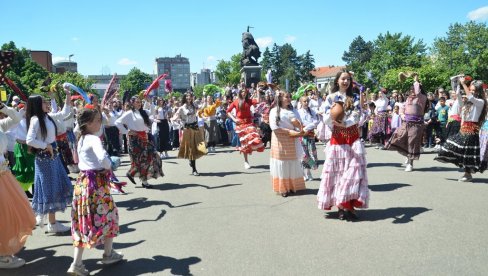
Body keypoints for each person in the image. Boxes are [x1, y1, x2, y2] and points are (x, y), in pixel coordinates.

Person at [68, 108, 123, 276]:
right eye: (98, 120)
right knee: (109, 216)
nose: (100, 123)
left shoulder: (82, 138)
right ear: (88, 123)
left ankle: (77, 263)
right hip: (96, 185)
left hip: (82, 183)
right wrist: (110, 164)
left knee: (83, 221)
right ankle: (107, 254)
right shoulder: (93, 139)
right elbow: (102, 160)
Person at [317, 70, 369, 220]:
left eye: (348, 79)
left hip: (352, 138)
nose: (345, 81)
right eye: (343, 79)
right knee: (338, 173)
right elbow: (325, 116)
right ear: (337, 81)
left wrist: (344, 122)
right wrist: (333, 119)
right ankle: (341, 206)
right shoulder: (330, 98)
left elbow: (358, 116)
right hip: (338, 140)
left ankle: (350, 205)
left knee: (354, 173)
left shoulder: (355, 98)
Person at [26, 93, 73, 233]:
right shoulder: (35, 120)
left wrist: (68, 95)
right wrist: (45, 146)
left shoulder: (48, 117)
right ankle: (52, 223)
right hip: (45, 158)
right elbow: (29, 140)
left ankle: (46, 218)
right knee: (49, 189)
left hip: (52, 156)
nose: (47, 104)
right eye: (44, 102)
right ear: (36, 105)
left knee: (52, 187)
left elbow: (64, 112)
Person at [0, 109, 36, 269]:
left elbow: (16, 117)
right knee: (4, 215)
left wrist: (3, 107)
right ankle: (3, 255)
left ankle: (4, 253)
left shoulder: (1, 124)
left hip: (4, 175)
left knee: (11, 212)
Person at [435, 78, 487, 181]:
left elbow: (470, 97)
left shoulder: (480, 102)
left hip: (472, 130)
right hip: (463, 129)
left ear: (479, 91)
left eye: (474, 90)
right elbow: (459, 98)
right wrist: (457, 84)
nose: (471, 92)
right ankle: (465, 172)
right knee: (451, 145)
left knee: (467, 153)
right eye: (471, 90)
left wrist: (464, 84)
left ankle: (467, 174)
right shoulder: (469, 103)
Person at [115, 96, 163, 188]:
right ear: (132, 103)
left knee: (152, 157)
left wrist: (150, 102)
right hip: (135, 139)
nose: (139, 103)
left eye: (140, 102)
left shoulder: (143, 112)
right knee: (141, 161)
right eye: (137, 102)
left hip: (145, 137)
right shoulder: (129, 113)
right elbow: (117, 122)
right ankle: (143, 181)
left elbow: (152, 112)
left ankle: (132, 173)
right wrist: (127, 131)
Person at [386, 74, 428, 172]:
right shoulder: (408, 99)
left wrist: (416, 80)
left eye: (413, 89)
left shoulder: (422, 98)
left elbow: (417, 92)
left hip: (416, 124)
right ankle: (408, 155)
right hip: (406, 122)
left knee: (412, 142)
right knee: (399, 137)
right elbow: (402, 109)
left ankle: (410, 163)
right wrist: (402, 115)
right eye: (411, 89)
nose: (412, 91)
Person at [269, 91, 306, 197]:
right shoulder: (274, 111)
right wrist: (290, 132)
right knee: (281, 163)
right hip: (279, 140)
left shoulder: (293, 110)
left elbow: (300, 124)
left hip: (292, 140)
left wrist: (298, 125)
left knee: (291, 162)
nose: (289, 98)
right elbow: (274, 127)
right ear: (280, 98)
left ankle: (291, 186)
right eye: (286, 97)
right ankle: (283, 188)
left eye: (290, 96)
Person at [227, 83, 265, 169]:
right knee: (244, 143)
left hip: (249, 123)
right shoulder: (236, 102)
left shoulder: (249, 101)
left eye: (245, 92)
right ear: (240, 93)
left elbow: (258, 100)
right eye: (242, 92)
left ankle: (250, 149)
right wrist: (234, 119)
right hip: (240, 124)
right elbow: (228, 111)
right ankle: (246, 161)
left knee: (255, 138)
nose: (244, 93)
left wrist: (258, 91)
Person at [172, 92, 206, 176]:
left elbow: (201, 108)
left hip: (195, 127)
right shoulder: (182, 107)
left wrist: (204, 98)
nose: (189, 98)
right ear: (185, 97)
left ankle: (191, 161)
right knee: (191, 148)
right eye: (187, 96)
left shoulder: (194, 105)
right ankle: (194, 169)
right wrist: (178, 121)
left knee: (197, 146)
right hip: (187, 129)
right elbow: (176, 116)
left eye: (190, 96)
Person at [297, 96, 319, 181]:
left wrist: (307, 127)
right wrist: (302, 129)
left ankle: (309, 172)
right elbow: (297, 122)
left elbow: (316, 121)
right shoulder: (298, 112)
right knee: (304, 154)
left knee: (311, 153)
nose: (306, 103)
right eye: (304, 101)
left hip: (310, 135)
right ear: (301, 102)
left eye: (307, 101)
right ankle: (303, 173)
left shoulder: (312, 111)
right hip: (302, 135)